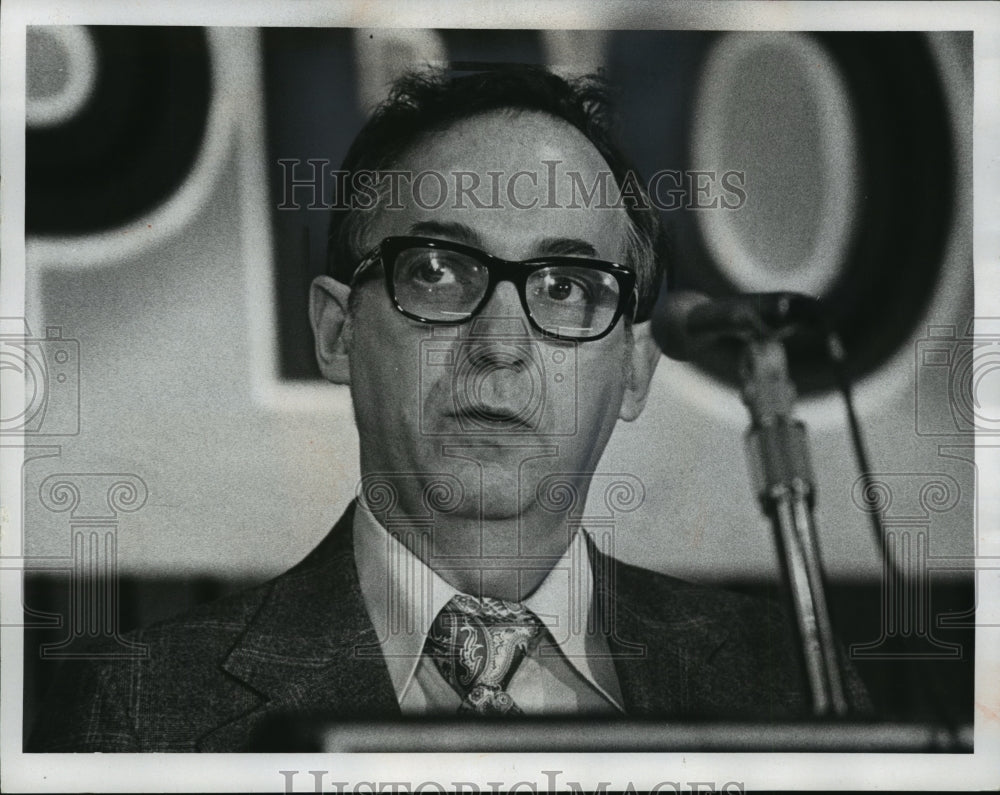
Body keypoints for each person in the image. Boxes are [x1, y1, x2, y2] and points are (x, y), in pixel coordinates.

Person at [29, 65, 866, 752]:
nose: (501, 341)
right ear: (337, 331)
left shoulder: (788, 678)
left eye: (567, 286)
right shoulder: (140, 707)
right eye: (436, 271)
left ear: (636, 370)